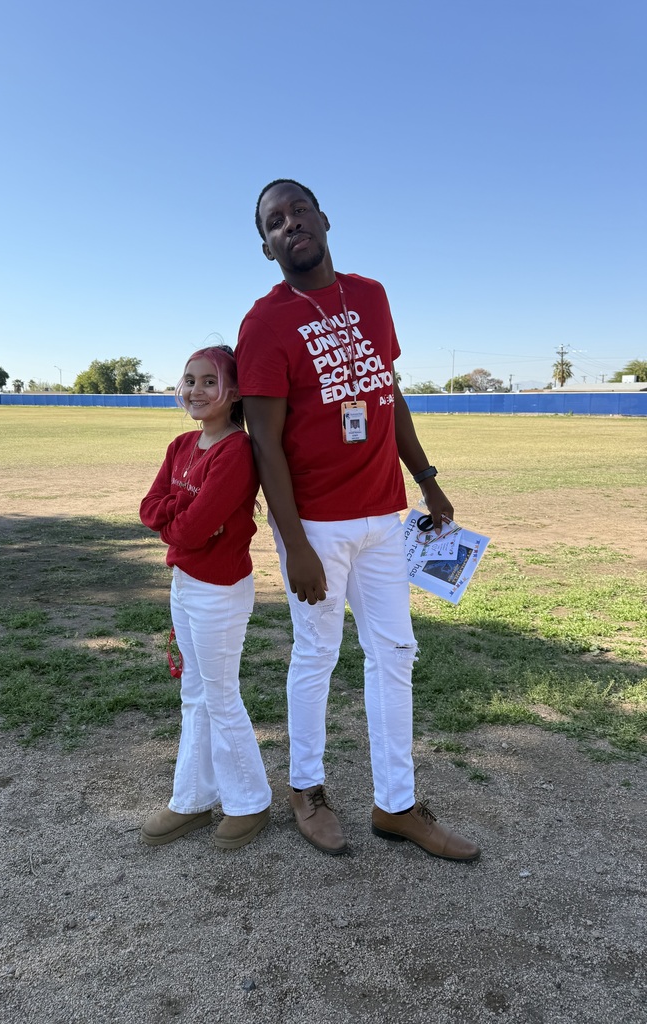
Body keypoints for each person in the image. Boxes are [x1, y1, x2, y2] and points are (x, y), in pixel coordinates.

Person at [235, 179, 480, 861]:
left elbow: (387, 393)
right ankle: (306, 789)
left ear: (323, 217)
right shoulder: (265, 323)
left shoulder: (370, 296)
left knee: (395, 653)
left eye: (298, 210)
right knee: (317, 652)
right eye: (274, 221)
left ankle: (395, 804)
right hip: (316, 526)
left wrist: (427, 478)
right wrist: (295, 546)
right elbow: (264, 444)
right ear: (267, 246)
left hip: (384, 515)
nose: (291, 225)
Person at [139, 345, 271, 850]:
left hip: (220, 590)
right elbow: (151, 509)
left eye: (209, 382)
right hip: (184, 584)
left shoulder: (237, 451)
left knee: (219, 695)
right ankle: (192, 798)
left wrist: (180, 515)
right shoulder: (180, 446)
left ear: (234, 393)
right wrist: (182, 510)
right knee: (194, 693)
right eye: (189, 380)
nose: (196, 390)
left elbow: (191, 531)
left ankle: (249, 801)